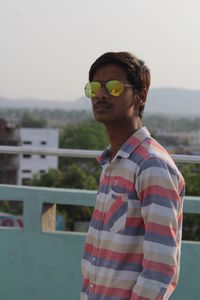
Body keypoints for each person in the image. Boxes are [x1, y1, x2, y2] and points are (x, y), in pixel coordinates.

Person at [81, 52, 185, 300]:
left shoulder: (152, 166)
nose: (101, 94)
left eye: (114, 88)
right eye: (95, 87)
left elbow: (160, 268)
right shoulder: (112, 164)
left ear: (140, 96)